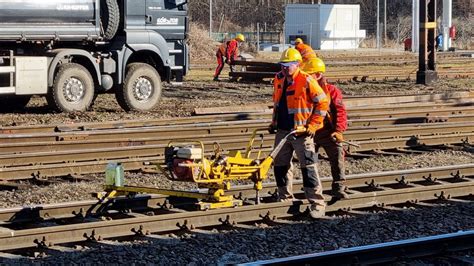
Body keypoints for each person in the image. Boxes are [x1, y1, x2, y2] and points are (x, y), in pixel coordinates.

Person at [269, 48, 329, 219]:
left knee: (308, 167)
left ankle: (317, 203)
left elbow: (322, 103)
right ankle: (284, 197)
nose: (285, 68)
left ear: (298, 64)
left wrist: (314, 124)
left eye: (289, 65)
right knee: (280, 166)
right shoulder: (279, 79)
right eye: (283, 65)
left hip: (301, 131)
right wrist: (274, 122)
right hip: (282, 130)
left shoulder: (306, 80)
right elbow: (278, 103)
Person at [303, 58, 349, 199]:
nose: (306, 77)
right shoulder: (304, 90)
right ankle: (312, 189)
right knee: (309, 162)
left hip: (328, 132)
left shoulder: (332, 91)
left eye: (309, 74)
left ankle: (339, 187)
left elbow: (340, 111)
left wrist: (339, 130)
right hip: (309, 132)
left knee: (337, 156)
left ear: (318, 75)